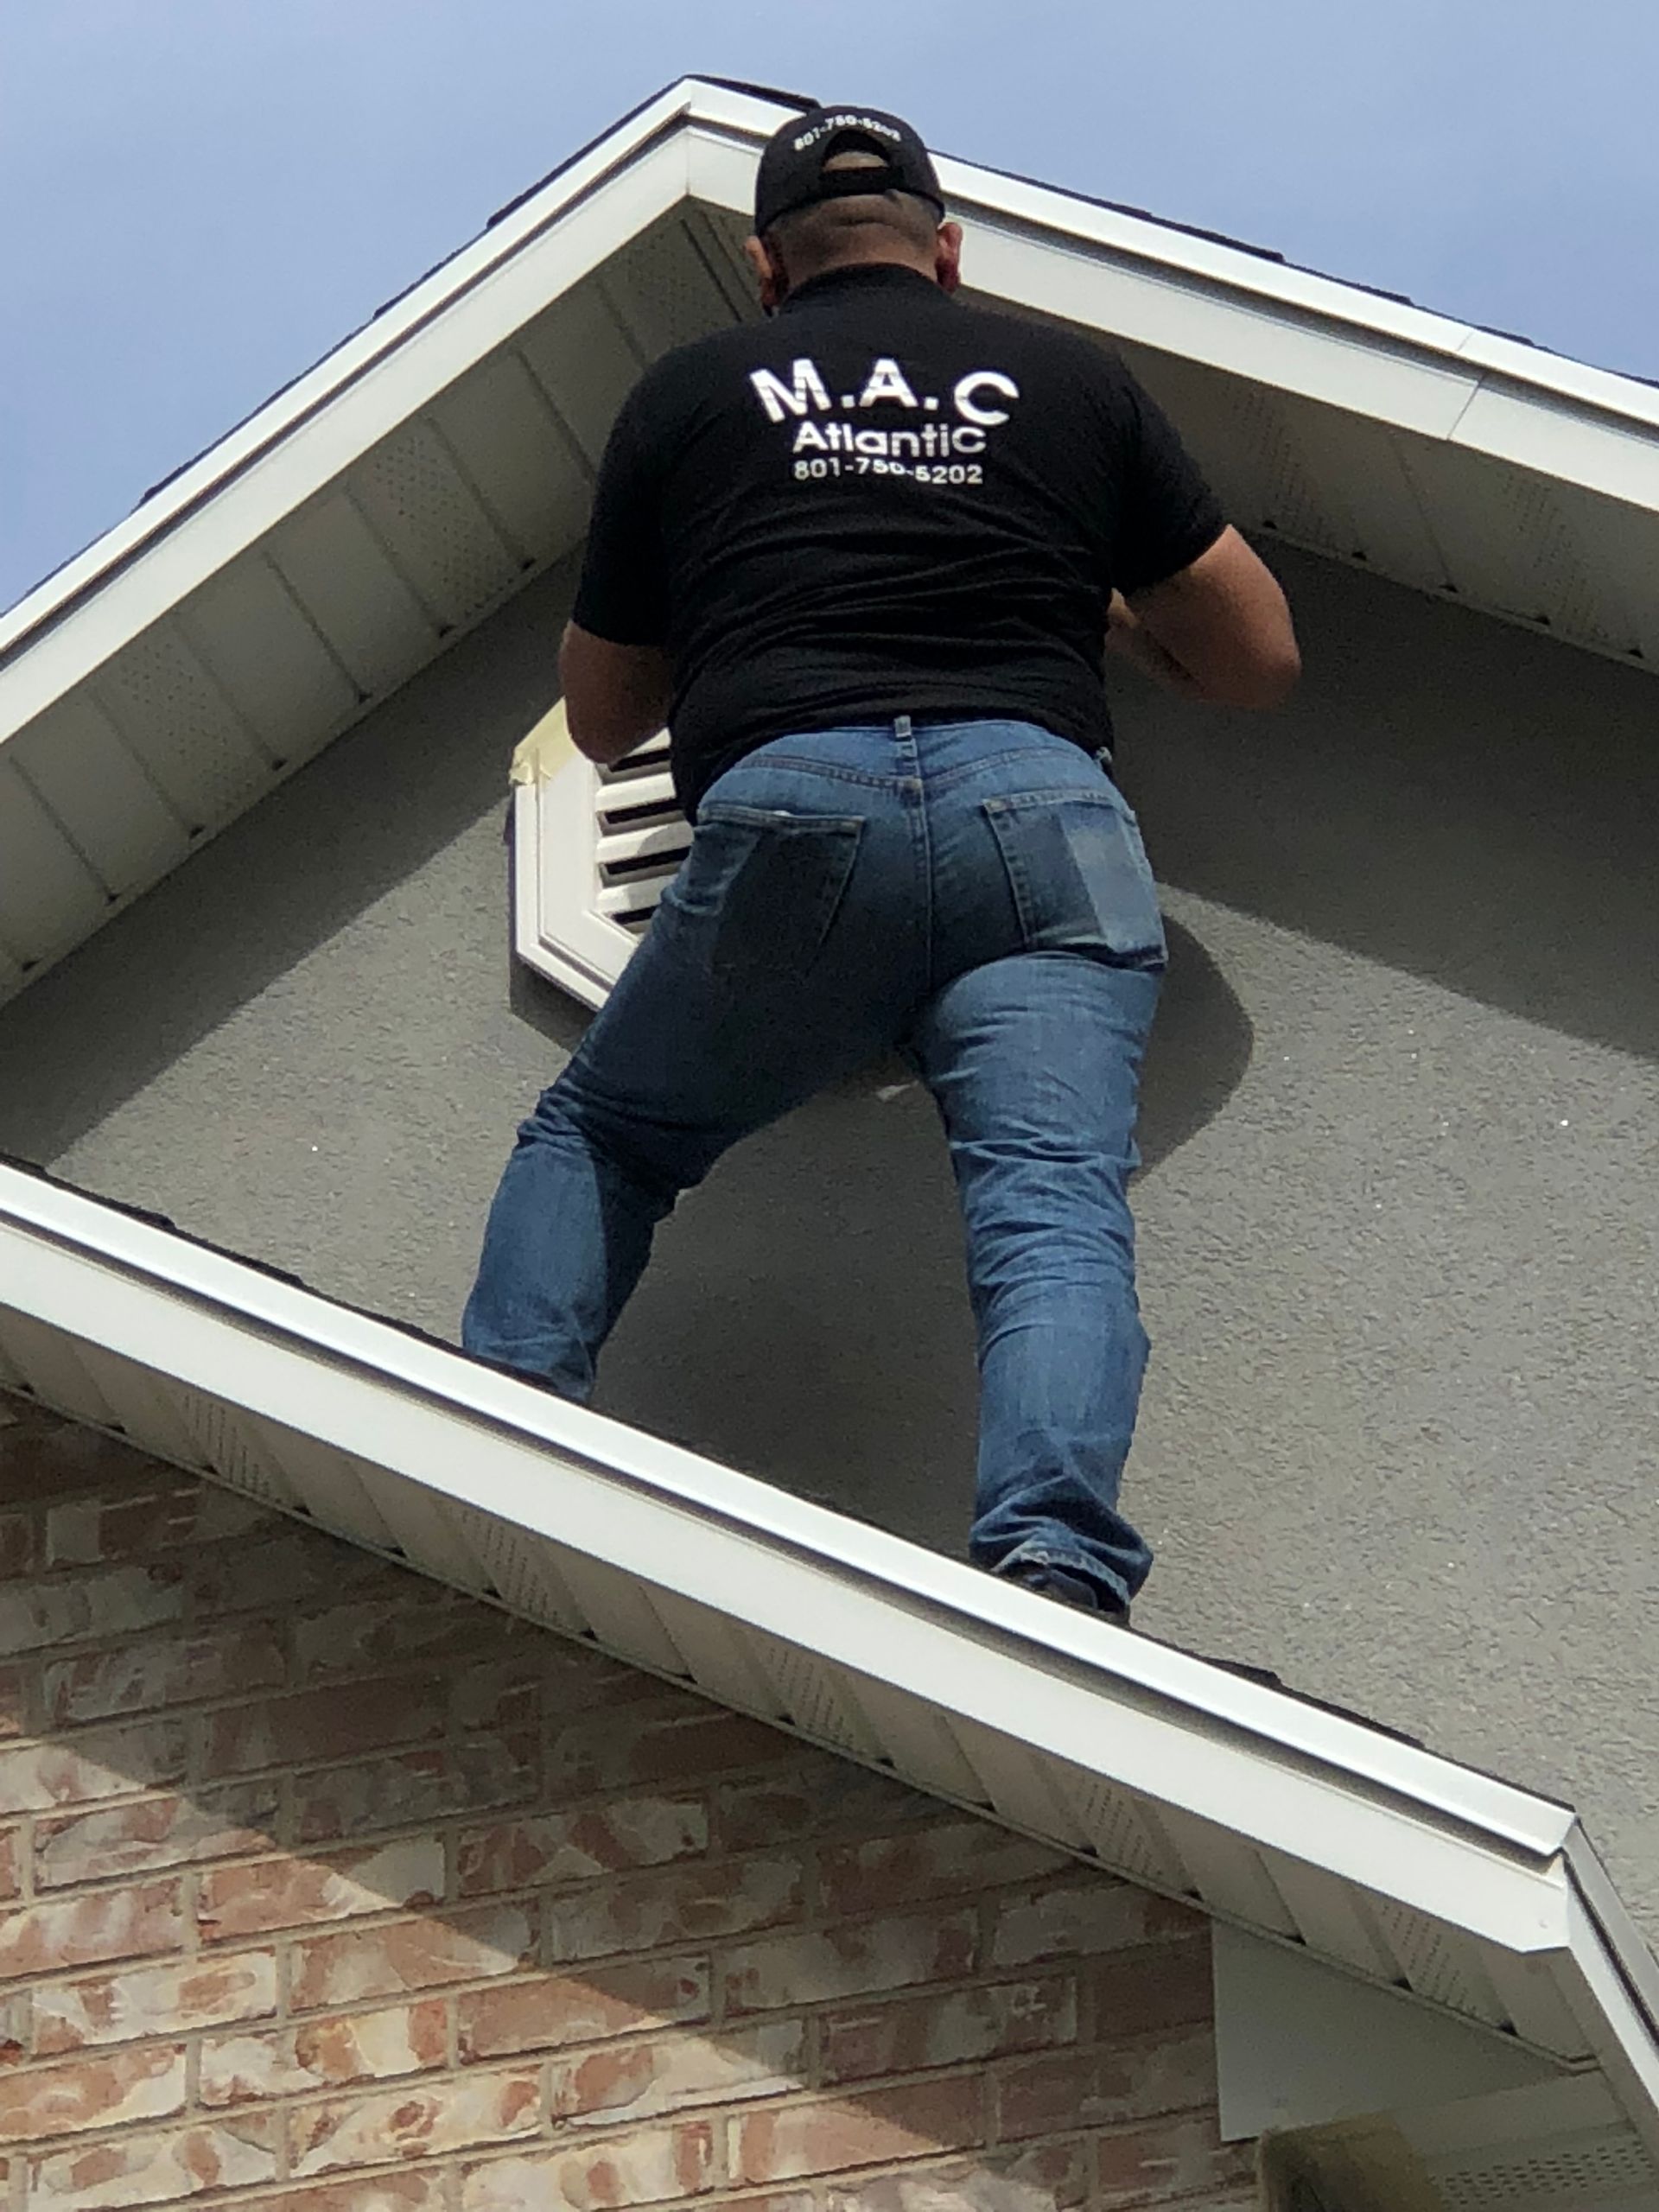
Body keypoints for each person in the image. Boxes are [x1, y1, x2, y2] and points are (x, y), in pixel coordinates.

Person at [463, 103, 1300, 1624]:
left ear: (767, 265)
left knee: (608, 1136)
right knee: (1052, 1205)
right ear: (948, 252)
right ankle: (1054, 1563)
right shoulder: (1069, 382)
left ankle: (499, 1440)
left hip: (801, 803)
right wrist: (1097, 605)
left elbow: (601, 719)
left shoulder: (691, 393)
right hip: (1042, 811)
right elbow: (1255, 656)